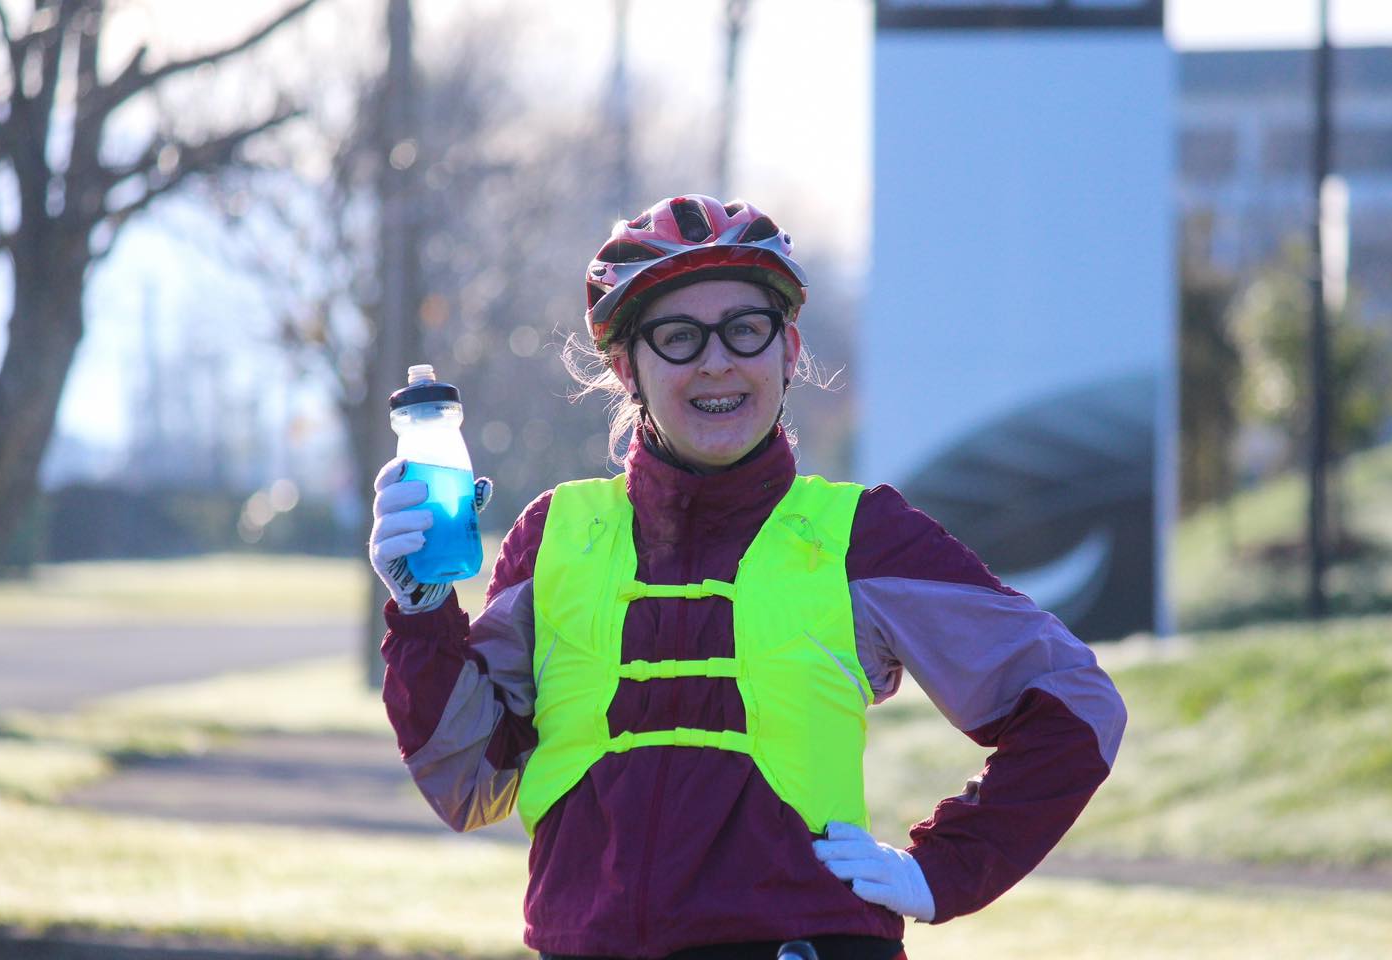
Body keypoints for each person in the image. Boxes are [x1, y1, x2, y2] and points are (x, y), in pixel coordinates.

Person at [369, 194, 1127, 960]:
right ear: (627, 367)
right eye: (677, 336)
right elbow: (468, 782)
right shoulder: (553, 535)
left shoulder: (861, 535)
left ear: (788, 350)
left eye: (745, 328)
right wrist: (423, 610)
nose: (717, 361)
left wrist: (941, 872)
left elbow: (1075, 705)